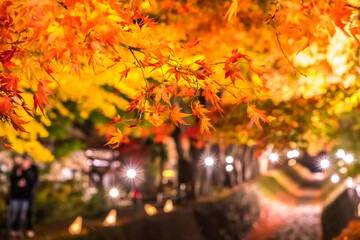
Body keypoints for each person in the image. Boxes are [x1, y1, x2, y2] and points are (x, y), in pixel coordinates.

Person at [8, 153, 38, 238]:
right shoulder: (17, 169)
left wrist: (26, 182)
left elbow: (34, 181)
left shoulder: (33, 169)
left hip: (27, 196)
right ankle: (14, 230)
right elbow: (13, 181)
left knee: (26, 213)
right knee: (15, 213)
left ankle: (27, 229)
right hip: (16, 196)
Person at [21, 153, 38, 238]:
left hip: (29, 195)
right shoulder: (21, 168)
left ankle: (29, 229)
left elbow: (35, 181)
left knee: (29, 212)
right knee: (19, 212)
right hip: (20, 194)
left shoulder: (34, 168)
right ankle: (18, 229)